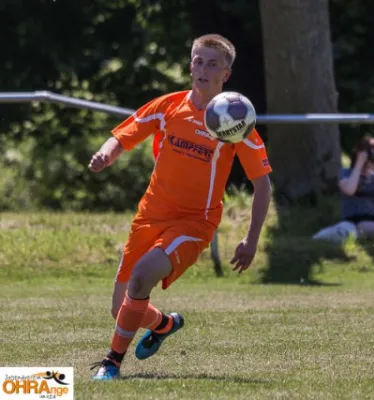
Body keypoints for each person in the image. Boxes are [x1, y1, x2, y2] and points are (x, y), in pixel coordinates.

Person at [87, 34, 272, 380]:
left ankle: (111, 363)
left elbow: (262, 182)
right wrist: (106, 154)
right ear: (190, 66)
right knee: (120, 309)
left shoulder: (233, 119)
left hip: (194, 223)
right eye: (198, 61)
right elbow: (127, 133)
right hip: (150, 216)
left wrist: (251, 239)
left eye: (212, 63)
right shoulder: (169, 106)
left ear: (226, 75)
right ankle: (165, 324)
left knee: (141, 277)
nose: (203, 69)